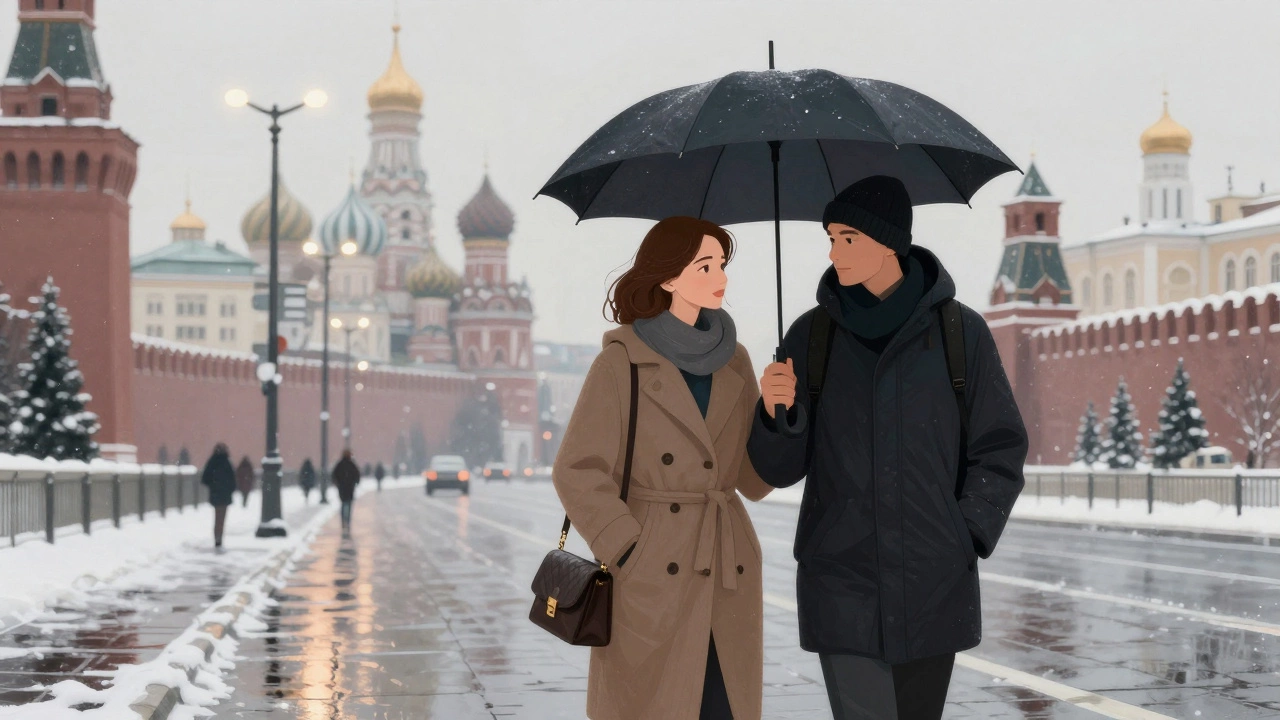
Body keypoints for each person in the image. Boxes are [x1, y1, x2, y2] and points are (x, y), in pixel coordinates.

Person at [747, 176, 1029, 720]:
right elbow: (777, 471)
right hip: (841, 581)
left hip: (933, 581)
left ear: (890, 243)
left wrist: (965, 533)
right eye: (831, 238)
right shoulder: (811, 337)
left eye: (848, 238)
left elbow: (1000, 446)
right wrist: (776, 413)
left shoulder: (960, 332)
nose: (834, 252)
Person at [553, 217, 773, 720]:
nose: (721, 277)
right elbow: (577, 469)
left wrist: (779, 417)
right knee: (656, 704)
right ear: (669, 277)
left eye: (722, 264)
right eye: (705, 265)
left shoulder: (735, 361)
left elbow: (753, 479)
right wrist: (629, 547)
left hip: (727, 564)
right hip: (653, 570)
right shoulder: (622, 362)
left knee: (721, 704)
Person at [200, 443, 236, 548]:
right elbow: (233, 480)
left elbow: (205, 478)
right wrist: (228, 489)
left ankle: (217, 537)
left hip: (216, 494)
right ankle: (219, 537)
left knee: (217, 518)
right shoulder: (227, 462)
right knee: (221, 518)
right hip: (224, 495)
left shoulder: (212, 462)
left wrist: (213, 485)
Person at [332, 450, 361, 531]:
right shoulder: (352, 464)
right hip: (350, 488)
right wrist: (355, 482)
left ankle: (343, 521)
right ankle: (347, 521)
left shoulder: (340, 464)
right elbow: (357, 475)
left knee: (343, 504)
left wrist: (338, 483)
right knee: (348, 505)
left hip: (342, 488)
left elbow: (334, 475)